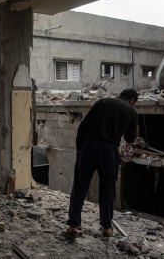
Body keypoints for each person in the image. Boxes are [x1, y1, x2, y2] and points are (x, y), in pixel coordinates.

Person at [65, 88, 138, 239]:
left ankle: (73, 226)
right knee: (107, 188)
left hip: (89, 145)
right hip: (109, 149)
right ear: (131, 100)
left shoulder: (102, 102)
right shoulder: (131, 111)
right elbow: (130, 138)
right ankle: (106, 228)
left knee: (80, 185)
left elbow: (83, 126)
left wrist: (81, 149)